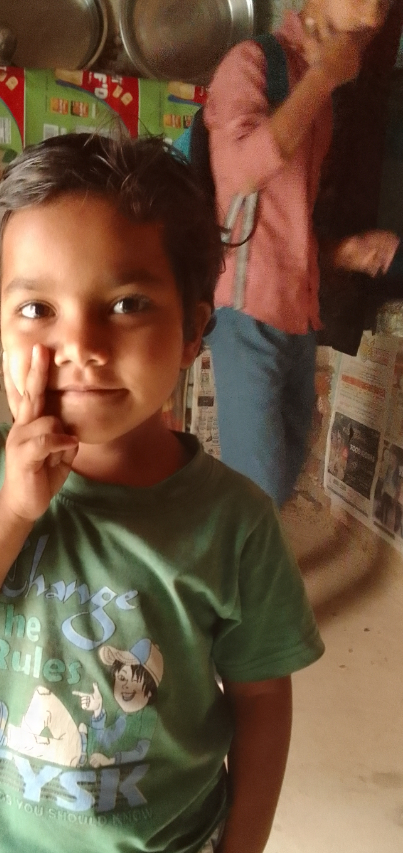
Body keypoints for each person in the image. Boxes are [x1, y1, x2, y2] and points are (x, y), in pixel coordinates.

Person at [0, 133, 325, 853]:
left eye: (126, 303)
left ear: (197, 325)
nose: (80, 343)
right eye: (36, 309)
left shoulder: (231, 520)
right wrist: (13, 511)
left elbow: (262, 698)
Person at [204, 0, 399, 507]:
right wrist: (322, 81)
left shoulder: (322, 89)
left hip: (298, 312)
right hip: (247, 310)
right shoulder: (251, 64)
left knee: (284, 474)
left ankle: (244, 574)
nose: (376, 11)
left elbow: (289, 218)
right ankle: (239, 584)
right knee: (259, 491)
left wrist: (342, 254)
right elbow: (242, 174)